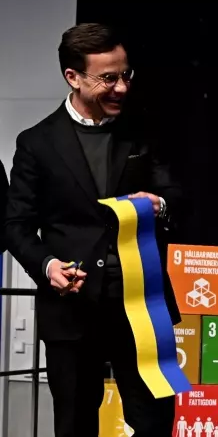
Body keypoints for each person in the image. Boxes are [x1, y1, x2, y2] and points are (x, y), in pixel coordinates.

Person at [4, 23, 182, 436]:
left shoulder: (144, 130)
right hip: (72, 311)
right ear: (73, 78)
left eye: (125, 75)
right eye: (108, 78)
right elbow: (16, 225)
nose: (121, 87)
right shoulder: (37, 142)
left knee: (155, 420)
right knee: (74, 422)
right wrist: (48, 266)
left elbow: (176, 193)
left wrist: (161, 204)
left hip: (142, 309)